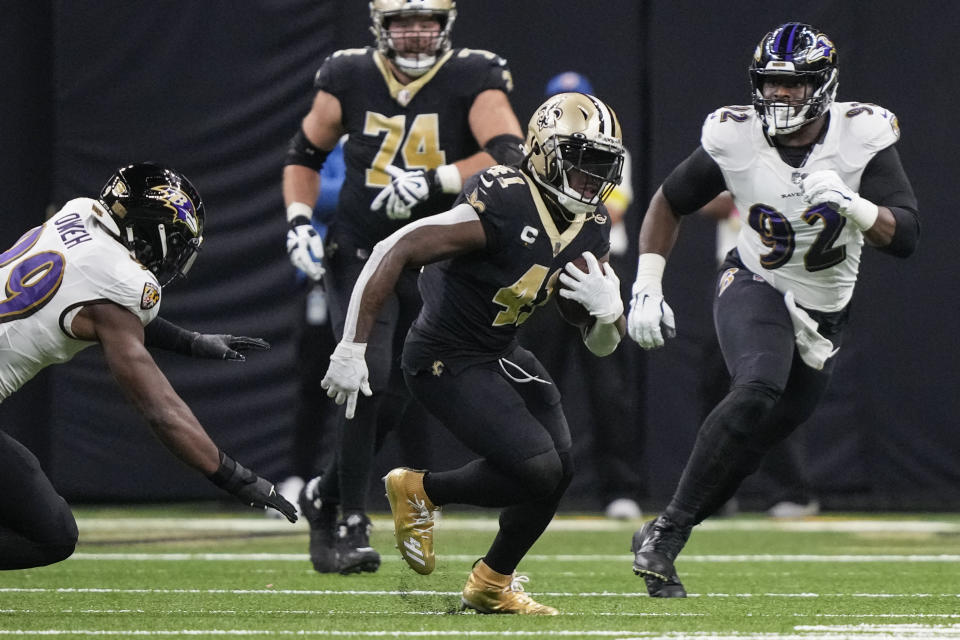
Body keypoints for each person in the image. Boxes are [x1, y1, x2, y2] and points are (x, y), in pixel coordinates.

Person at [627, 22, 919, 597]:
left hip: (824, 311)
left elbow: (906, 235)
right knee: (757, 386)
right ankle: (667, 536)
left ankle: (660, 528)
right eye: (771, 83)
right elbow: (669, 199)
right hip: (754, 279)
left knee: (757, 438)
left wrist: (854, 205)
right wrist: (647, 282)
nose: (779, 95)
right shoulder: (733, 134)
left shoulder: (861, 135)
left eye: (793, 85)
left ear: (824, 87)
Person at [321, 92, 627, 614]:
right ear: (545, 151)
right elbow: (392, 249)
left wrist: (606, 313)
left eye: (601, 164)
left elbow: (600, 345)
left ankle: (491, 583)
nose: (591, 177)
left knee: (562, 468)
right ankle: (420, 490)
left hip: (500, 350)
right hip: (444, 357)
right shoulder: (505, 198)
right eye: (581, 160)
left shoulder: (593, 225)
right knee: (537, 470)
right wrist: (352, 345)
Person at [282, 0, 525, 575]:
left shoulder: (473, 73)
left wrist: (437, 179)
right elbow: (305, 153)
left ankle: (327, 493)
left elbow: (509, 152)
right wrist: (298, 216)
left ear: (446, 25)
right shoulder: (347, 73)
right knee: (367, 374)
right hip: (364, 247)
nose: (415, 34)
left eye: (426, 22)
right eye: (402, 23)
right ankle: (350, 517)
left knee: (406, 387)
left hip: (440, 252)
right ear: (381, 26)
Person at [0, 163, 297, 570]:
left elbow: (94, 302)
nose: (173, 254)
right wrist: (234, 476)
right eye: (174, 241)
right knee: (50, 535)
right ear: (149, 229)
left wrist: (189, 342)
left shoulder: (78, 212)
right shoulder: (120, 282)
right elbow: (160, 408)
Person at [520, 71, 643, 520]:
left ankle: (619, 487)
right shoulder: (533, 154)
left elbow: (604, 204)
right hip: (542, 268)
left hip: (597, 263)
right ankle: (526, 479)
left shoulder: (609, 148)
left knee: (609, 387)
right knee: (534, 380)